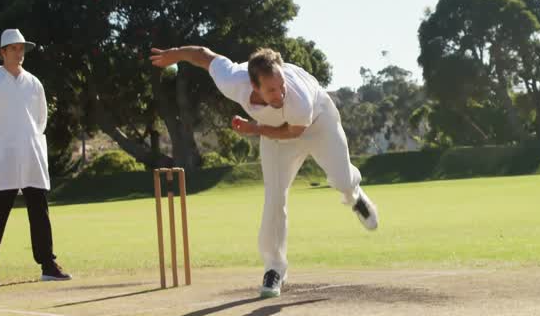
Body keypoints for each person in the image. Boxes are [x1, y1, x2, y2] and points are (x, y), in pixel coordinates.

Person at [148, 45, 378, 298]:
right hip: (275, 135)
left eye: (281, 85)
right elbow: (204, 56)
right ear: (253, 86)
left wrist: (254, 129)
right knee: (274, 199)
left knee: (342, 180)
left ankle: (354, 194)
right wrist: (175, 54)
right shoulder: (234, 80)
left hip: (317, 122)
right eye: (271, 90)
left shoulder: (298, 100)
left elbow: (293, 132)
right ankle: (274, 268)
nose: (279, 93)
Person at [0, 29, 71, 287]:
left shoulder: (34, 84)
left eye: (21, 48)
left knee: (39, 210)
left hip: (31, 155)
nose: (19, 52)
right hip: (2, 159)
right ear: (2, 52)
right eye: (13, 48)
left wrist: (29, 140)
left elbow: (41, 119)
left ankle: (48, 265)